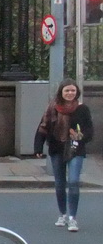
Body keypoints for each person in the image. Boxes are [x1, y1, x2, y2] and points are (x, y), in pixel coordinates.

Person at [34, 78, 92, 232]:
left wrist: (81, 136)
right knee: (60, 183)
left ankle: (73, 218)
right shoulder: (53, 108)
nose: (70, 93)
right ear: (61, 92)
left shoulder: (82, 109)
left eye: (73, 90)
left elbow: (89, 131)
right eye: (67, 90)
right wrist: (38, 147)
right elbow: (43, 127)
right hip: (57, 148)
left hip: (75, 149)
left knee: (73, 181)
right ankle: (63, 214)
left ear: (77, 92)